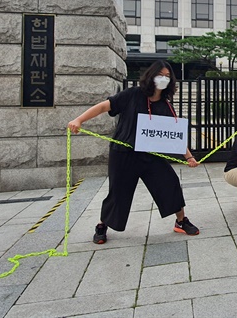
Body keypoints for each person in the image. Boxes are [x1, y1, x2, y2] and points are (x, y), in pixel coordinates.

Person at [67, 60, 200, 243]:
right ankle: (102, 225)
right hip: (123, 153)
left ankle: (181, 221)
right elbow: (104, 106)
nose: (164, 79)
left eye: (168, 77)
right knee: (118, 192)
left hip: (151, 155)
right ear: (151, 76)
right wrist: (79, 120)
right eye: (160, 75)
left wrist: (189, 157)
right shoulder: (133, 95)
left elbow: (173, 136)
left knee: (170, 182)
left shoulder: (166, 105)